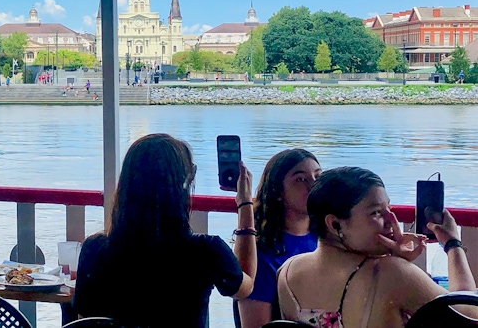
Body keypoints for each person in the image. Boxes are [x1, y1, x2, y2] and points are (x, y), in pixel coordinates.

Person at [74, 133, 256, 328]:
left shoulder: (94, 250)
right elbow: (244, 287)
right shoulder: (206, 251)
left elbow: (86, 318)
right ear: (183, 184)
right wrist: (245, 203)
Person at [277, 166, 477, 327]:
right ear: (334, 224)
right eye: (375, 213)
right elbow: (469, 315)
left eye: (388, 208)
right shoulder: (391, 273)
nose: (392, 220)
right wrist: (452, 244)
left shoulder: (287, 271)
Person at [236, 149, 321, 328]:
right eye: (301, 179)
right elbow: (255, 325)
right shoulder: (263, 253)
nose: (314, 185)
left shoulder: (327, 239)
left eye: (318, 176)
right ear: (278, 192)